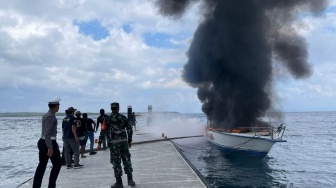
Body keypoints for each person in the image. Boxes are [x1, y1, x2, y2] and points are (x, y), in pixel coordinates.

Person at [32, 98, 62, 188]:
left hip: (43, 141)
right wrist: (50, 147)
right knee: (57, 164)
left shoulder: (47, 115)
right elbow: (47, 133)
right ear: (55, 106)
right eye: (58, 105)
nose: (59, 107)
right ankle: (51, 186)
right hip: (48, 142)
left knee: (42, 165)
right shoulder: (50, 116)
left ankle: (36, 186)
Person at [107, 102, 136, 188]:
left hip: (114, 144)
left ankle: (119, 183)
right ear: (118, 108)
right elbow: (129, 129)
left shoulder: (108, 119)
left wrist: (100, 143)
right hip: (123, 143)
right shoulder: (123, 118)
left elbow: (104, 131)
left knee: (116, 162)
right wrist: (129, 140)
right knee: (126, 160)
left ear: (111, 108)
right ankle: (130, 181)